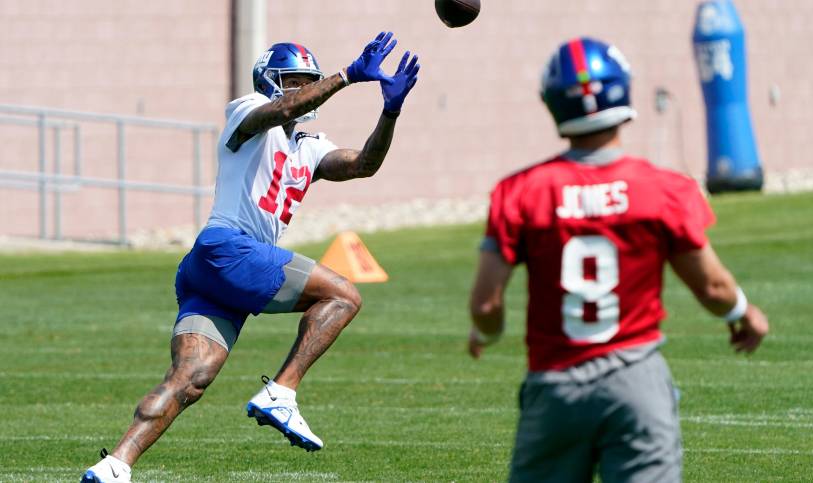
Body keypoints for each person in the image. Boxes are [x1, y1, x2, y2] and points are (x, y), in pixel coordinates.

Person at [81, 31, 420, 483]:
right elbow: (280, 109)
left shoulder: (309, 146)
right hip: (229, 248)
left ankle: (114, 465)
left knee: (190, 378)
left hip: (216, 270)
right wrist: (346, 76)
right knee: (344, 296)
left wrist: (390, 111)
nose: (301, 90)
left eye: (307, 81)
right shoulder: (245, 111)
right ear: (269, 81)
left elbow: (363, 164)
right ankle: (282, 391)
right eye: (293, 81)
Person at [467, 37, 769, 483]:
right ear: (622, 92)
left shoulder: (521, 191)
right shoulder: (664, 189)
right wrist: (744, 313)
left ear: (553, 102)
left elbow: (486, 306)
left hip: (556, 386)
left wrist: (486, 334)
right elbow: (712, 287)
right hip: (636, 380)